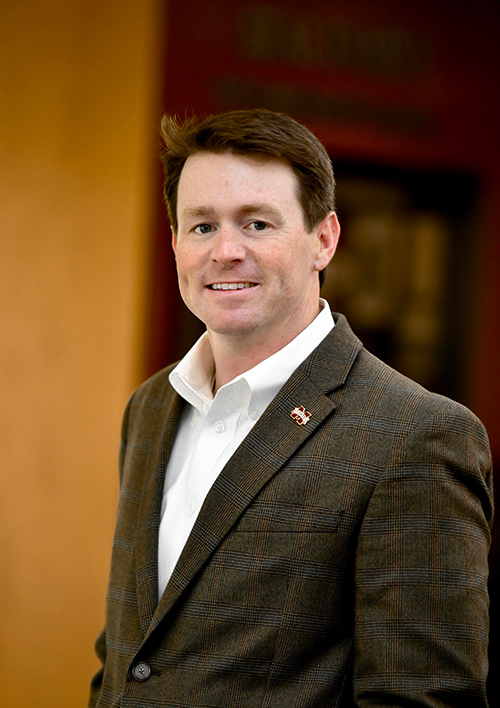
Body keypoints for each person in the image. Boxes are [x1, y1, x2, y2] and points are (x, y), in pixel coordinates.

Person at [89, 109, 493, 708]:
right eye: (201, 226)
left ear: (324, 239)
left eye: (256, 223)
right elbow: (127, 658)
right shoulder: (150, 408)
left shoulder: (418, 436)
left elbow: (423, 700)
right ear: (173, 240)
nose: (226, 251)